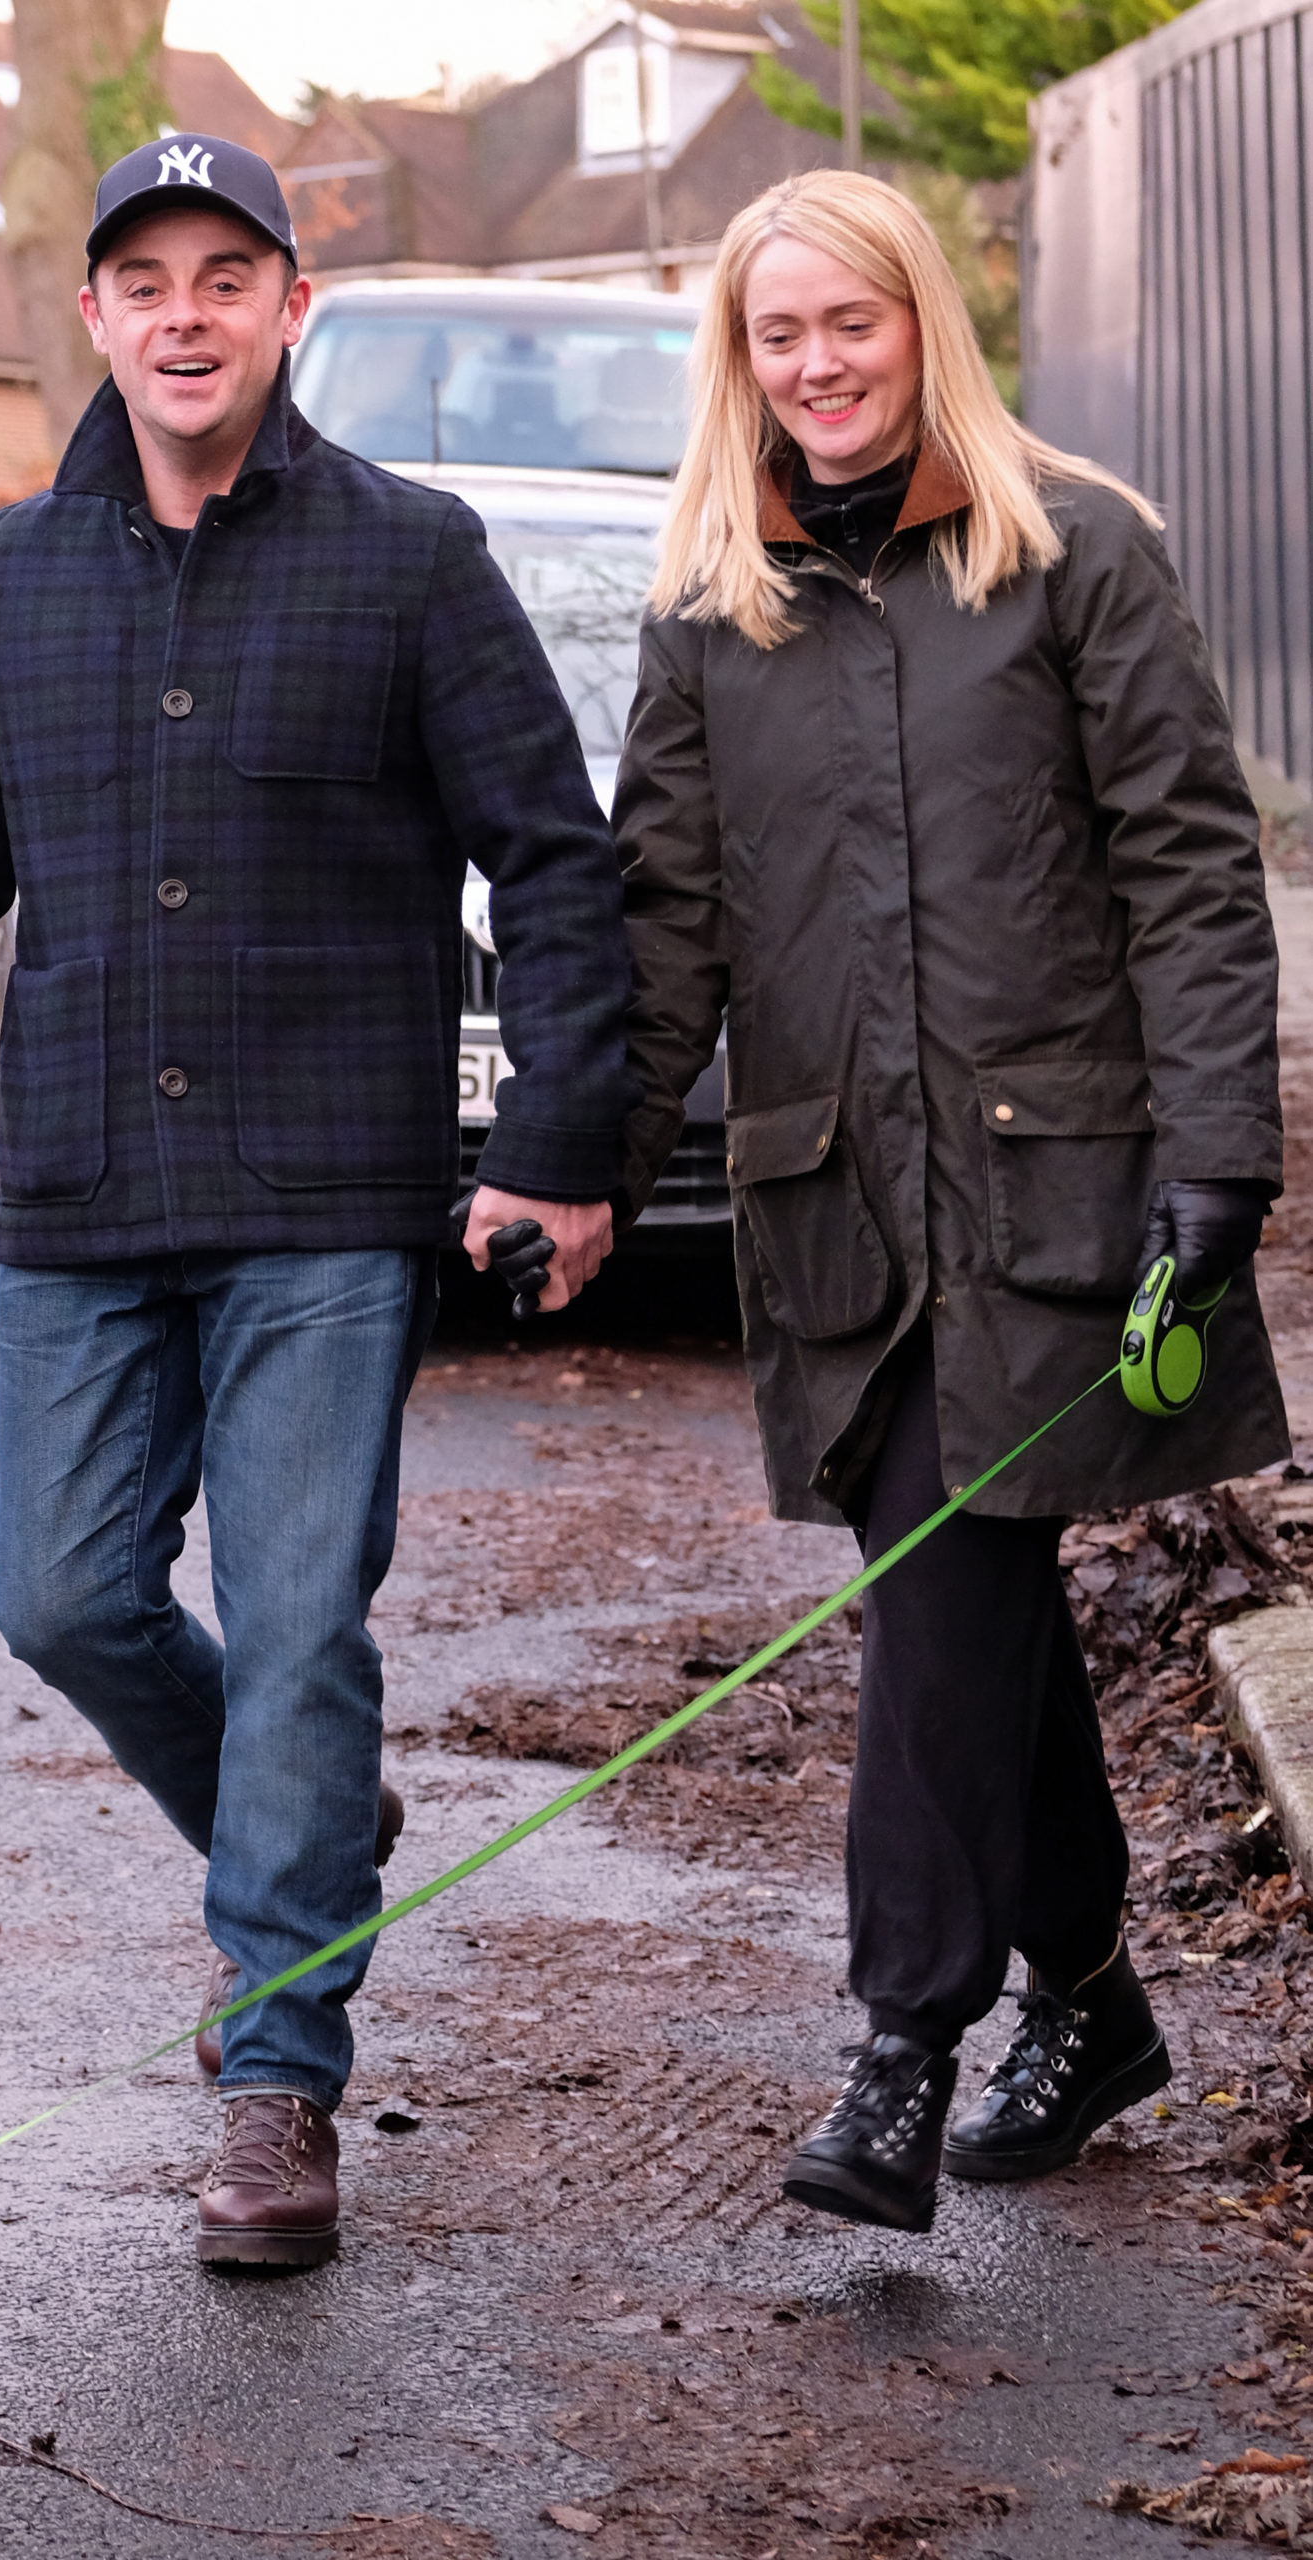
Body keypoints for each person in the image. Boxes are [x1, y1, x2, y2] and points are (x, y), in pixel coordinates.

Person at [0, 133, 634, 2268]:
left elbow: (546, 858)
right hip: (78, 1182)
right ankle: (317, 1831)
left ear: (284, 308)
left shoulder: (409, 559)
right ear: (93, 319)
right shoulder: (7, 575)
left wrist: (553, 1131)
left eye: (224, 277)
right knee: (58, 1597)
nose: (183, 314)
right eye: (142, 279)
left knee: (296, 1620)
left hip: (324, 1198)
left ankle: (277, 2074)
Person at [614, 169, 1286, 2235]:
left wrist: (1213, 1154)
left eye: (851, 325)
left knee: (943, 1586)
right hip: (839, 1211)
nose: (815, 366)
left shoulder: (1068, 549)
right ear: (738, 362)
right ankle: (1086, 1994)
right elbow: (659, 927)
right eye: (774, 334)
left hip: (1047, 1191)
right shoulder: (707, 609)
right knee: (964, 1599)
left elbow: (1182, 866)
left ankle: (901, 2042)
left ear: (924, 327)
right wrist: (566, 1167)